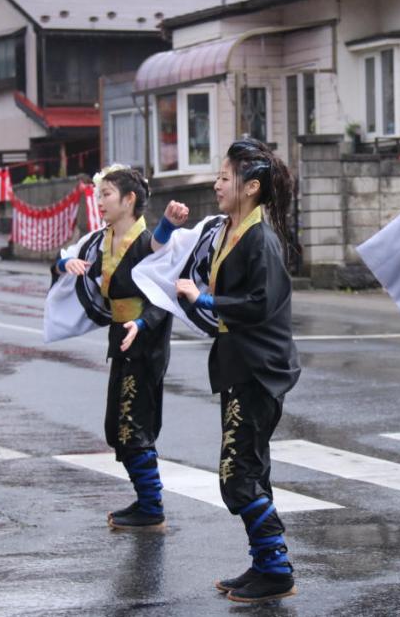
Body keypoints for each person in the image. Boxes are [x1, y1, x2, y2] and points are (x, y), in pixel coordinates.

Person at [175, 139, 301, 604]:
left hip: (259, 369)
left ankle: (277, 567)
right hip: (241, 366)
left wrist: (204, 299)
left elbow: (260, 304)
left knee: (236, 472)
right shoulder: (231, 230)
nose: (216, 184)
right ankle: (266, 563)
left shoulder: (260, 238)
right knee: (249, 468)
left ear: (250, 188)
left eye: (224, 178)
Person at [54, 166, 180, 530]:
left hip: (145, 342)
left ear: (129, 200)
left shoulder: (147, 242)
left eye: (107, 193)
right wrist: (67, 262)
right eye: (99, 194)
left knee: (133, 424)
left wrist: (141, 323)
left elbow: (165, 293)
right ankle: (146, 501)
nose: (99, 201)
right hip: (121, 340)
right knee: (117, 426)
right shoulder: (99, 240)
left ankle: (152, 506)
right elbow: (60, 262)